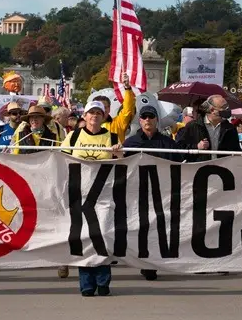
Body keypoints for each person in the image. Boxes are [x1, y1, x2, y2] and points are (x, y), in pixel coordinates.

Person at [62, 99, 122, 296]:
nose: (94, 116)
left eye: (98, 113)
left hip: (103, 196)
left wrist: (118, 153)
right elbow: (60, 161)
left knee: (102, 235)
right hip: (79, 194)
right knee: (83, 238)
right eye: (91, 113)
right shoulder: (73, 136)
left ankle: (103, 281)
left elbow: (122, 165)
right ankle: (87, 284)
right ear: (85, 116)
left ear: (103, 116)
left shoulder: (112, 137)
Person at [123, 104, 184, 282]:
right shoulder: (131, 143)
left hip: (160, 193)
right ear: (140, 120)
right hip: (136, 192)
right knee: (139, 229)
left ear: (157, 120)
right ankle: (143, 262)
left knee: (157, 230)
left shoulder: (167, 143)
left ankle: (151, 264)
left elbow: (180, 162)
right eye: (144, 117)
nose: (147, 120)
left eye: (151, 117)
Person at [175, 94, 241, 162]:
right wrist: (197, 146)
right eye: (223, 107)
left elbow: (237, 152)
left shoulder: (230, 128)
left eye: (227, 106)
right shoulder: (193, 126)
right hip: (200, 169)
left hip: (223, 170)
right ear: (212, 110)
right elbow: (180, 149)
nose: (227, 109)